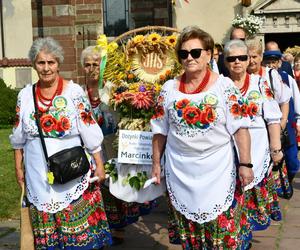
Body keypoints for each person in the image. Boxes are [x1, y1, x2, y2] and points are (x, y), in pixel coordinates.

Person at [151, 26, 254, 249]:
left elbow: (240, 129)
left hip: (218, 168)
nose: (190, 58)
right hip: (180, 169)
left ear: (208, 54)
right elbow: (160, 130)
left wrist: (245, 163)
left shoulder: (224, 87)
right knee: (191, 233)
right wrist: (156, 163)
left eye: (196, 52)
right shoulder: (168, 89)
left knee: (223, 231)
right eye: (184, 53)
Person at [10, 37, 112, 249]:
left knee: (80, 241)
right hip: (39, 176)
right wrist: (18, 166)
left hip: (74, 174)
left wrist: (99, 164)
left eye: (51, 62)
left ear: (59, 63)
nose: (46, 68)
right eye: (41, 63)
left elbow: (89, 130)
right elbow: (18, 136)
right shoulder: (25, 96)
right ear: (33, 64)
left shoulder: (73, 92)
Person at [80, 45, 156, 245]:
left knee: (114, 186)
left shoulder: (114, 91)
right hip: (90, 151)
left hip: (113, 145)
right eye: (87, 65)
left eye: (95, 64)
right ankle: (99, 227)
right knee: (96, 189)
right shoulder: (78, 93)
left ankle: (117, 226)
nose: (92, 68)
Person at [224, 40, 283, 246]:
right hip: (229, 153)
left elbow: (273, 119)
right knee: (232, 202)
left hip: (257, 151)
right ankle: (237, 238)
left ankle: (244, 239)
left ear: (249, 59)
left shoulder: (259, 84)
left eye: (242, 57)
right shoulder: (220, 86)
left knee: (250, 199)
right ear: (225, 62)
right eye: (232, 59)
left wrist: (276, 149)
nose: (237, 62)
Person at [263, 50, 300, 185]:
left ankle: (289, 180)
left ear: (279, 63)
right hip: (268, 129)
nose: (271, 65)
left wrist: (298, 122)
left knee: (292, 161)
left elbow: (296, 102)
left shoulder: (287, 78)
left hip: (287, 127)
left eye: (274, 62)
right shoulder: (260, 78)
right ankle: (277, 186)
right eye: (268, 62)